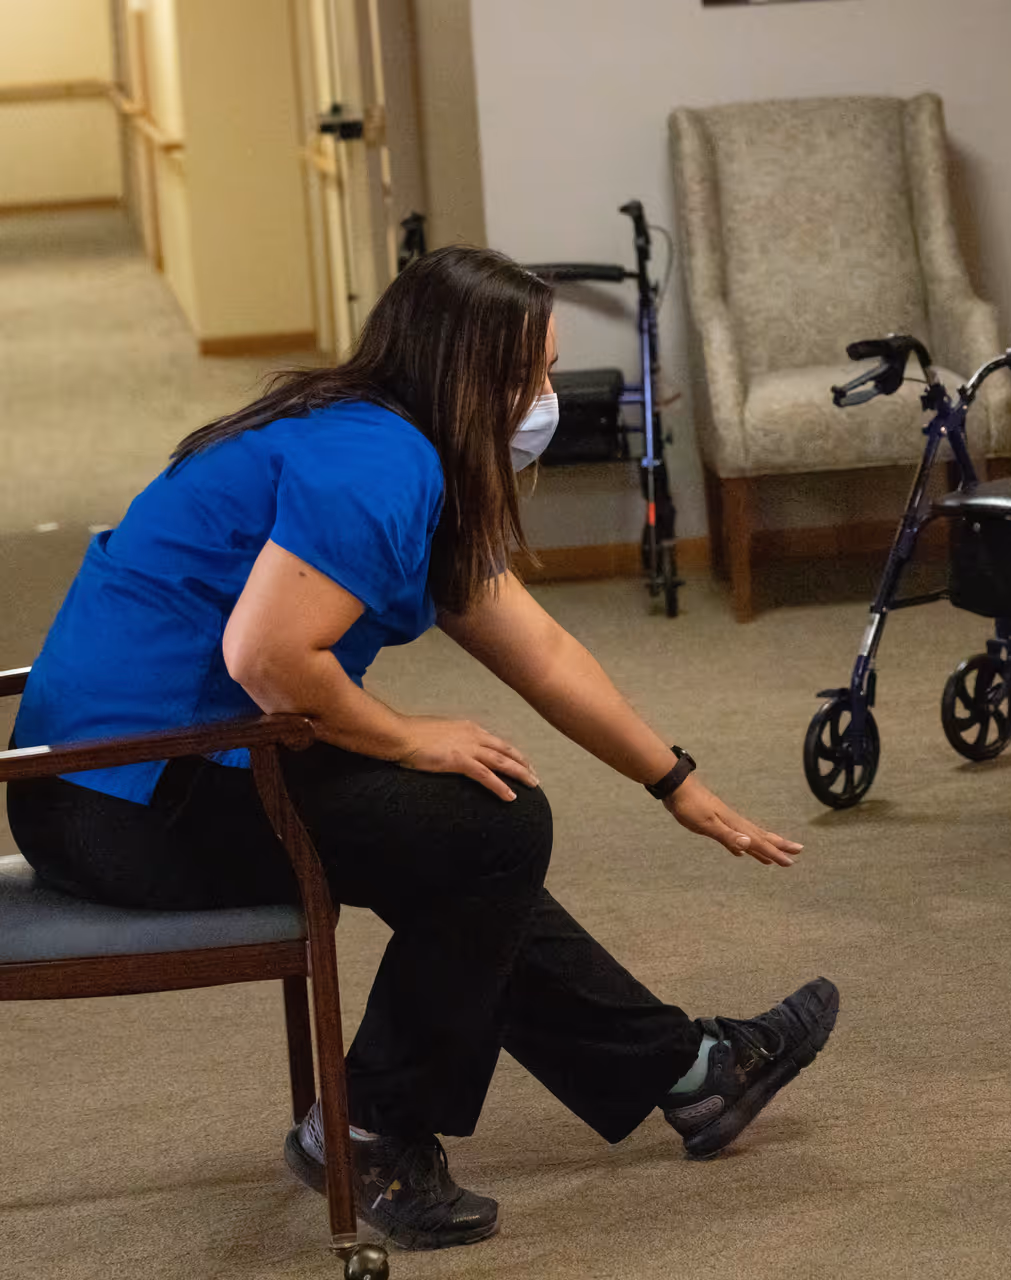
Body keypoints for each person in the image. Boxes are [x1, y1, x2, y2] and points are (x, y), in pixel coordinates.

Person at [5, 247, 838, 1251]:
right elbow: (267, 653)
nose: (542, 400)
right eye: (527, 376)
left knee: (463, 827)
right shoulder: (379, 461)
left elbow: (541, 650)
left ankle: (692, 1074)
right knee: (487, 822)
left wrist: (674, 778)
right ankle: (372, 1124)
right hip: (122, 801)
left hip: (151, 769)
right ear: (461, 370)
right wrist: (406, 734)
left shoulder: (393, 444)